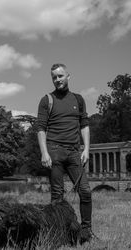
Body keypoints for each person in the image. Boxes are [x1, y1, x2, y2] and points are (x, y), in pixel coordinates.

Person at [37, 63, 93, 244]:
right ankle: (58, 235)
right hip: (54, 152)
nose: (57, 80)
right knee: (57, 197)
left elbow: (84, 125)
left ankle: (86, 232)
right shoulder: (47, 100)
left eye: (60, 76)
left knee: (85, 191)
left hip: (74, 152)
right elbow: (40, 129)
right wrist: (44, 153)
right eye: (54, 77)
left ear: (69, 76)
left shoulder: (78, 99)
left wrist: (86, 149)